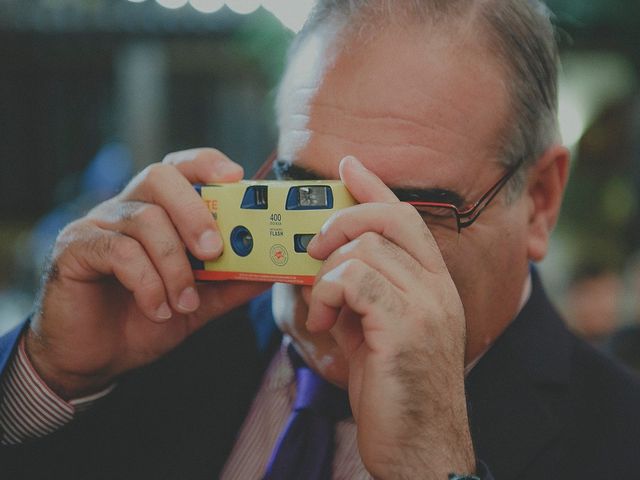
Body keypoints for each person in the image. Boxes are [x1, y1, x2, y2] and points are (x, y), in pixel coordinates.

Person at [1, 1, 639, 479]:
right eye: (302, 189)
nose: (333, 252)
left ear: (540, 203)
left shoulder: (620, 441)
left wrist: (434, 467)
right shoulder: (155, 340)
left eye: (409, 210)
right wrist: (46, 373)